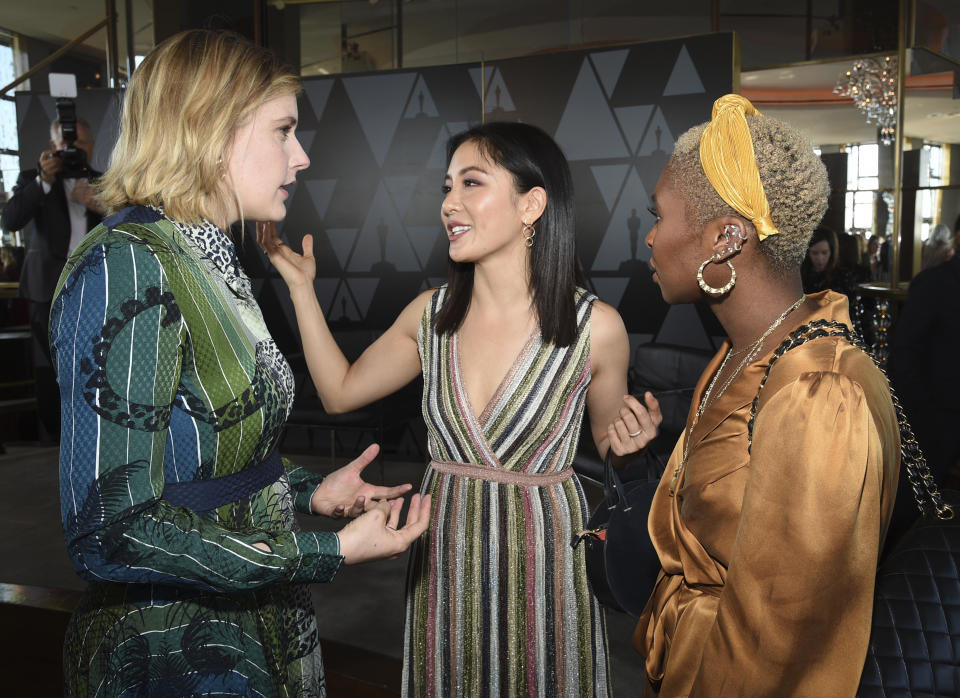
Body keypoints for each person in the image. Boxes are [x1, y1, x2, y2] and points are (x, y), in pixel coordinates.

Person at [50, 29, 431, 697]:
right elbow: (110, 529)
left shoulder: (207, 257)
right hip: (176, 647)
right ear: (211, 131)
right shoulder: (129, 264)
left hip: (255, 614)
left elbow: (200, 458)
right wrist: (330, 550)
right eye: (283, 131)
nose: (302, 155)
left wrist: (312, 491)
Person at [261, 121, 662, 697]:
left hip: (547, 559)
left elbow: (606, 440)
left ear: (532, 204)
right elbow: (339, 391)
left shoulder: (595, 329)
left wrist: (627, 445)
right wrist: (302, 290)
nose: (450, 203)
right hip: (445, 550)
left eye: (471, 183)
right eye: (447, 187)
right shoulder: (431, 315)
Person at [632, 94, 900, 696]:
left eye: (659, 216)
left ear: (725, 238)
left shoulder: (819, 393)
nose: (649, 238)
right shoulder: (746, 350)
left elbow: (775, 647)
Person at [1, 117, 104, 439]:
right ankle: (59, 438)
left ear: (91, 146)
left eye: (81, 143)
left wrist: (103, 204)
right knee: (52, 369)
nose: (75, 149)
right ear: (53, 147)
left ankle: (96, 433)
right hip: (48, 289)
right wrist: (44, 182)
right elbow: (10, 220)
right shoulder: (34, 178)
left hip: (96, 289)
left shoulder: (104, 181)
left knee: (96, 365)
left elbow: (134, 225)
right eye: (67, 144)